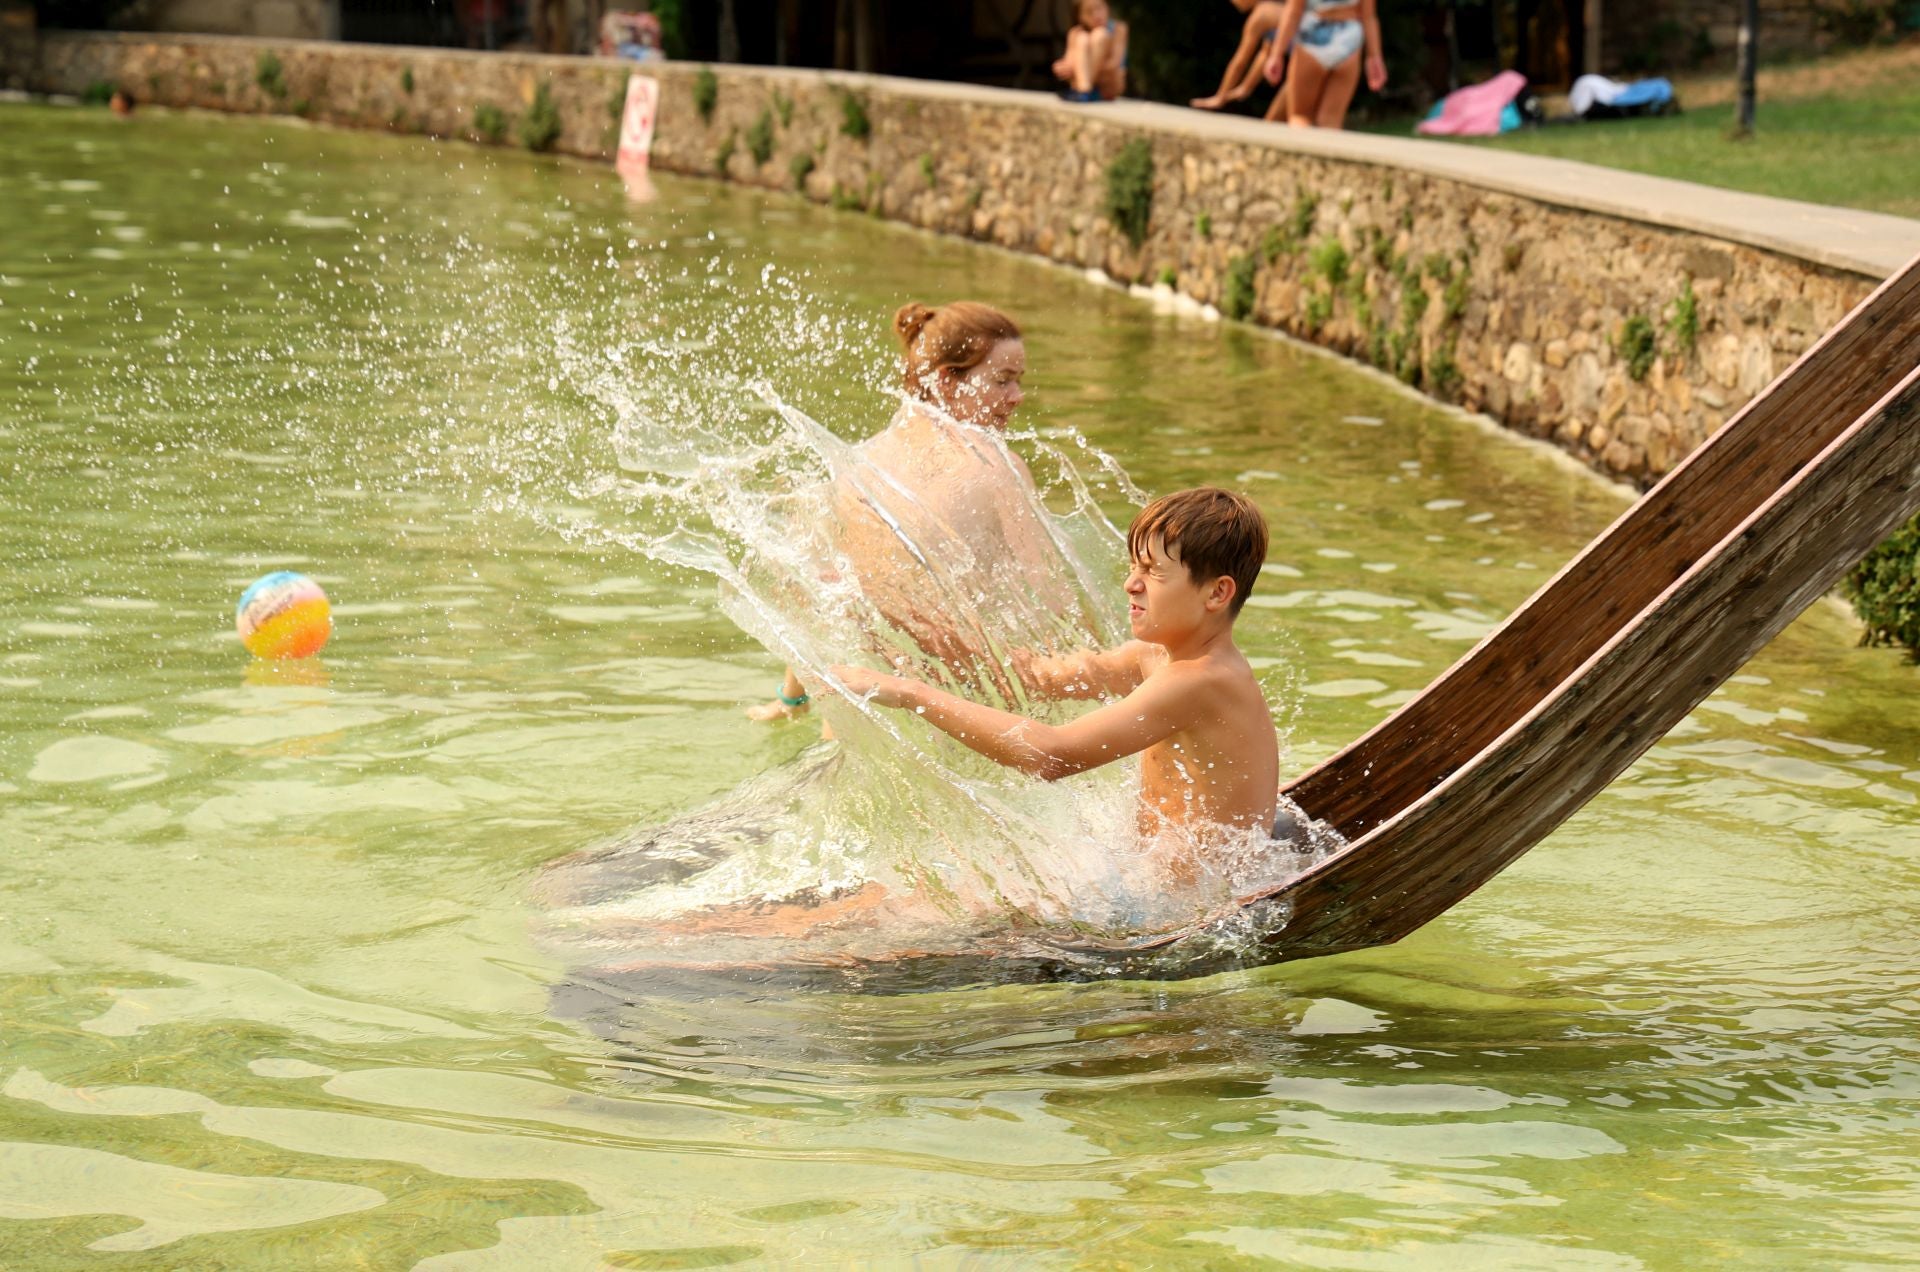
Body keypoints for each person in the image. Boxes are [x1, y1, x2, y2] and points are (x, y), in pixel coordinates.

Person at [832, 487, 1278, 881]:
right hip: (1153, 882)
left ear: (1217, 594)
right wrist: (912, 628)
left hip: (1203, 902)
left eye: (1153, 573)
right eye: (1132, 567)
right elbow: (1031, 678)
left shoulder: (1202, 680)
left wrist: (915, 696)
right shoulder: (1156, 656)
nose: (1129, 584)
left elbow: (1052, 756)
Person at [748, 301, 1081, 722]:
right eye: (1002, 381)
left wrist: (790, 701)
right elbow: (1053, 603)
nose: (1017, 397)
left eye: (1018, 381)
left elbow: (827, 593)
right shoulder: (995, 469)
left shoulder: (858, 466)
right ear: (946, 381)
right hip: (961, 716)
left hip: (864, 715)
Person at [1261, 0, 1387, 130]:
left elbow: (1293, 12)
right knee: (1331, 121)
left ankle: (1302, 149)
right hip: (1348, 39)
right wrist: (1374, 57)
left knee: (1300, 117)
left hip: (1314, 36)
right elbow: (1369, 16)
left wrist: (1276, 54)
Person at [1191, 1, 1292, 123]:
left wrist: (1220, 97)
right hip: (1312, 61)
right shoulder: (1273, 8)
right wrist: (1245, 88)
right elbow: (1265, 54)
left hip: (1310, 61)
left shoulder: (1261, 15)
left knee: (1274, 121)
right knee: (1275, 120)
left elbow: (1240, 61)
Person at [1052, 0, 1129, 103]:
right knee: (1081, 39)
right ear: (1080, 16)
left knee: (1100, 35)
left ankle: (1084, 90)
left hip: (1107, 85)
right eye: (1089, 12)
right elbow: (1068, 62)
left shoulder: (1118, 29)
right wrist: (1062, 67)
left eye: (1099, 8)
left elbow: (1114, 65)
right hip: (1080, 84)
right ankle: (1085, 90)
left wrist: (1081, 66)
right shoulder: (1076, 33)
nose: (1096, 15)